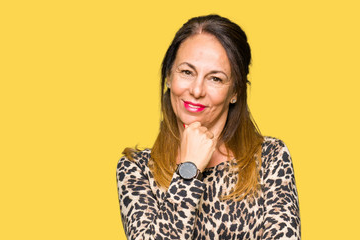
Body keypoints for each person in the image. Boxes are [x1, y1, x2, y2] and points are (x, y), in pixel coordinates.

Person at [116, 15, 300, 240]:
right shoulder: (136, 169)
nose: (196, 90)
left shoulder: (270, 158)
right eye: (186, 72)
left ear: (235, 92)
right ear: (168, 77)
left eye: (215, 78)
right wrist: (189, 170)